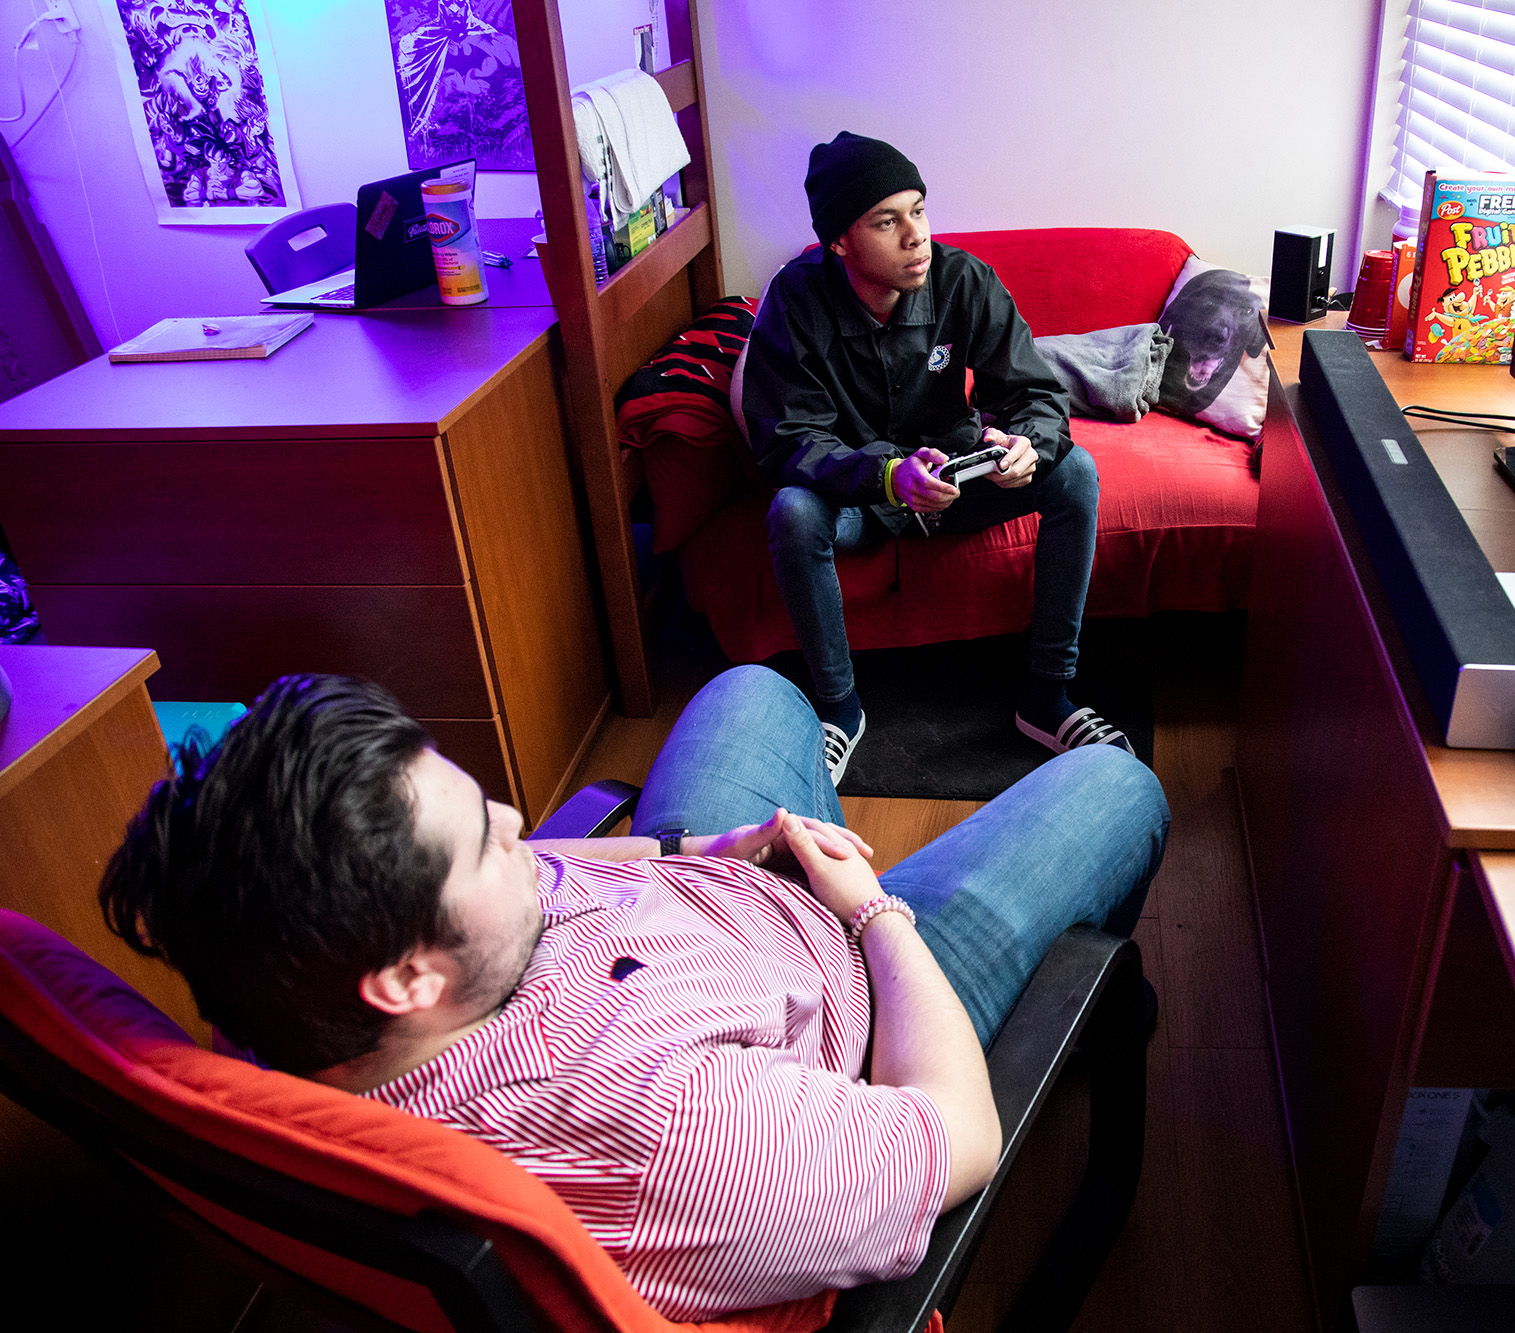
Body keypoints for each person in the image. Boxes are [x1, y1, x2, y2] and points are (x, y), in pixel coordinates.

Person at [99, 667, 1168, 1323]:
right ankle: (1068, 1023)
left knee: (753, 689)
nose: (521, 820)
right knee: (1118, 785)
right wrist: (872, 915)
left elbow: (541, 860)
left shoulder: (287, 991)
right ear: (410, 977)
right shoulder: (671, 1136)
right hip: (869, 995)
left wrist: (700, 849)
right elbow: (955, 1135)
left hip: (716, 894)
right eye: (484, 838)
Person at [740, 131, 1130, 785]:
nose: (915, 235)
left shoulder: (963, 280)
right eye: (887, 221)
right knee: (793, 512)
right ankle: (838, 709)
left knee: (1077, 472)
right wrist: (886, 476)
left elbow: (1036, 393)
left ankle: (1046, 697)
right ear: (840, 240)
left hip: (959, 480)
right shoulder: (795, 299)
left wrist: (1028, 445)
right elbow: (787, 439)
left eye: (918, 211)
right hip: (861, 495)